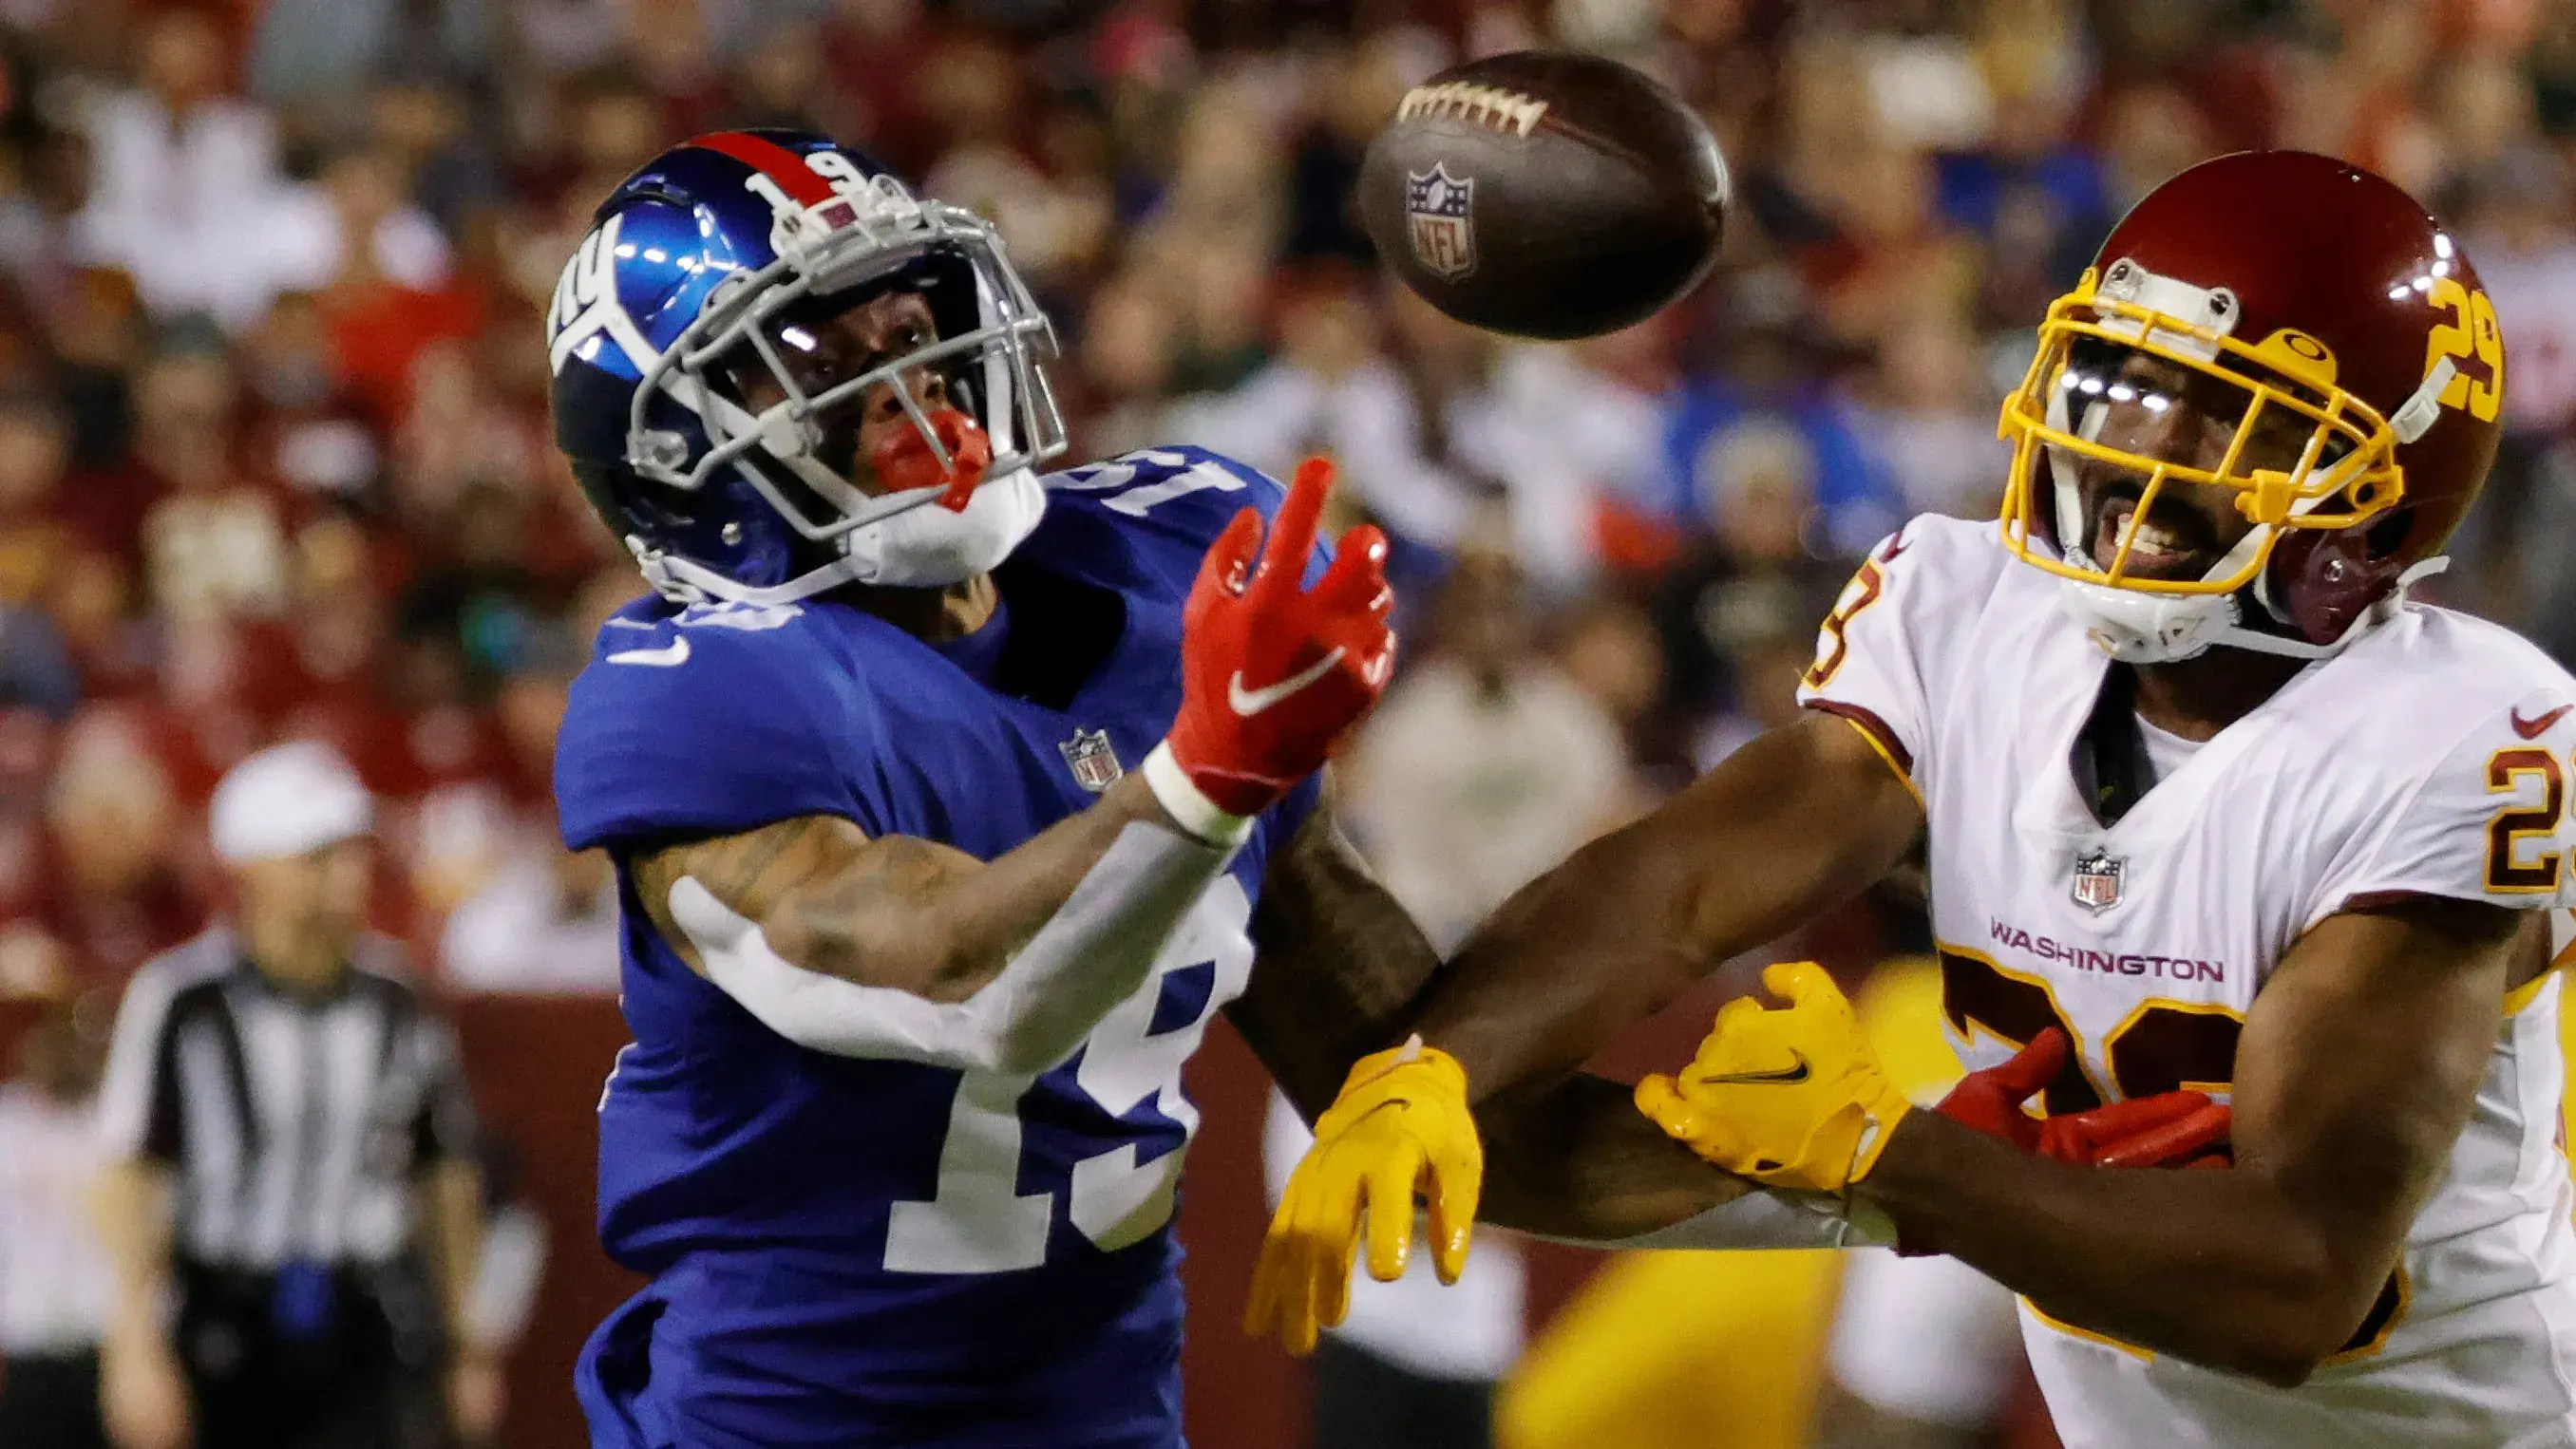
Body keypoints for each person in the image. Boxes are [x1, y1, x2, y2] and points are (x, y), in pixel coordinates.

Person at [1255, 150, 2576, 1448]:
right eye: (2131, 385)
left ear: (2379, 502)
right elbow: (1688, 877)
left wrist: (1893, 1160)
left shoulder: (2450, 741)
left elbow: (2297, 1277)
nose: (2140, 453)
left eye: (2228, 420)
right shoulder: (1972, 607)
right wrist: (1436, 1066)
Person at [543, 127, 1429, 1448]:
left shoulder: (1172, 554)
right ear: (677, 451)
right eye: (825, 361)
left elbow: (1402, 1054)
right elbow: (964, 984)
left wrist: (1829, 1185)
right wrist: (1206, 774)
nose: (913, 383)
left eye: (913, 323)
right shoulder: (699, 688)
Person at [91, 741, 492, 1449]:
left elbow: (443, 1170)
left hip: (363, 1314)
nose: (347, 876)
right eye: (317, 857)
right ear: (253, 870)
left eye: (352, 853)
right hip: (227, 1314)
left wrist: (467, 1338)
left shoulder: (397, 1000)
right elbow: (130, 1173)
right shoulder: (186, 1000)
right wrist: (134, 1341)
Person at [0, 999, 115, 1449]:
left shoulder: (117, 1120)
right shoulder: (6, 1122)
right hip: (23, 1346)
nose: (57, 1050)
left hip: (106, 1346)